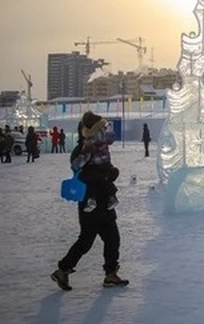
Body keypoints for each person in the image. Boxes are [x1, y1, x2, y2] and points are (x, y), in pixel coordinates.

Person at [51, 115, 128, 290]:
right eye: (100, 129)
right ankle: (63, 270)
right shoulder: (82, 149)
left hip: (105, 198)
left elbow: (103, 167)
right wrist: (103, 175)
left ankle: (110, 274)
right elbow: (79, 169)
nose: (104, 131)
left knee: (112, 238)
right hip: (90, 201)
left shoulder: (101, 147)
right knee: (86, 240)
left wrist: (111, 172)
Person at [78, 112, 120, 212]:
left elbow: (85, 156)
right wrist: (108, 128)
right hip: (106, 164)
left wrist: (76, 165)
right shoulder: (105, 136)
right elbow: (112, 138)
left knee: (87, 178)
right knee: (106, 179)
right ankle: (112, 196)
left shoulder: (90, 141)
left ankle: (91, 199)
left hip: (95, 165)